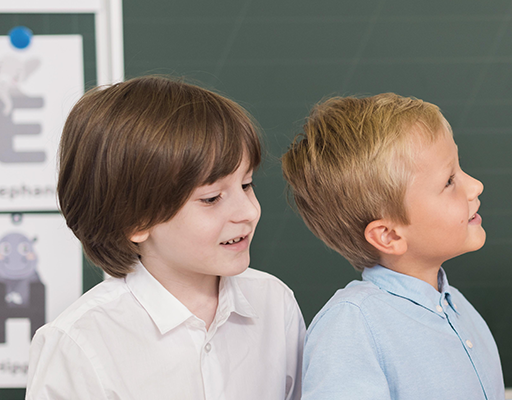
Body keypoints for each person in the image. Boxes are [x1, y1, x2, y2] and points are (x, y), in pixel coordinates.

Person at [27, 76, 305, 399]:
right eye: (212, 198)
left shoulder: (274, 304)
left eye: (246, 185)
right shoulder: (78, 343)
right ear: (137, 221)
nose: (249, 212)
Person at [282, 94, 503, 400]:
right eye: (449, 181)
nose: (475, 186)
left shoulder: (460, 310)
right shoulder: (352, 326)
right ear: (389, 235)